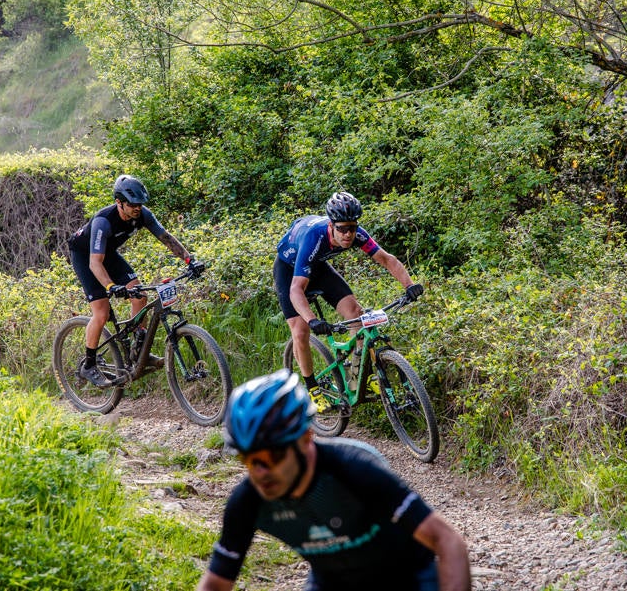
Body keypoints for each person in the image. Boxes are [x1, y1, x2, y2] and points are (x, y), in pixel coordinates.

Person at [196, 369, 471, 591]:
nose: (260, 472)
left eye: (272, 456)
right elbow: (217, 583)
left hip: (409, 580)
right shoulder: (248, 501)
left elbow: (447, 541)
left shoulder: (353, 471)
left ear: (305, 439)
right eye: (248, 459)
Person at [274, 191, 423, 409]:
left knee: (356, 314)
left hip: (318, 266)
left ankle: (357, 375)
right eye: (342, 229)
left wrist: (410, 285)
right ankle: (312, 388)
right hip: (289, 271)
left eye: (352, 228)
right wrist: (312, 319)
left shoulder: (357, 234)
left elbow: (387, 259)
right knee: (300, 330)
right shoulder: (315, 237)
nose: (348, 234)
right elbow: (296, 289)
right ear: (331, 226)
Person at [68, 174, 204, 387]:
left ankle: (138, 351)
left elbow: (166, 238)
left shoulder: (143, 215)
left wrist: (189, 259)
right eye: (131, 204)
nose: (137, 208)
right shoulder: (104, 221)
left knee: (140, 295)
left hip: (108, 253)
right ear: (119, 203)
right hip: (86, 257)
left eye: (140, 204)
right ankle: (89, 365)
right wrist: (111, 287)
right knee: (102, 312)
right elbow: (96, 263)